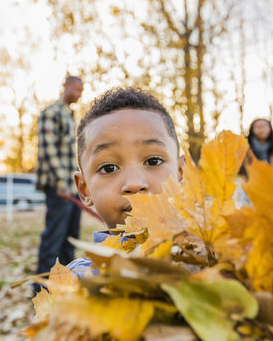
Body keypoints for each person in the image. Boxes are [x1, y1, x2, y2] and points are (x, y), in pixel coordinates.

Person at [59, 87, 184, 276]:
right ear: (85, 190)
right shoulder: (74, 284)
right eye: (109, 168)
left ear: (181, 173)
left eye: (153, 161)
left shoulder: (219, 263)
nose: (134, 183)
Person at [34, 76, 83, 292]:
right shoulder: (52, 113)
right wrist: (61, 183)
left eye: (82, 90)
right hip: (59, 188)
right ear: (65, 86)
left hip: (71, 189)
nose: (79, 93)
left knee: (70, 240)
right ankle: (41, 291)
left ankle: (62, 288)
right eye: (76, 89)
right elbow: (48, 150)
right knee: (53, 240)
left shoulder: (71, 117)